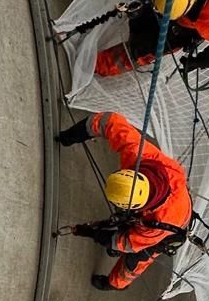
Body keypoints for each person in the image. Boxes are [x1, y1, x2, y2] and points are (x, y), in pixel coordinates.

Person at [58, 110, 192, 291]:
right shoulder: (138, 154)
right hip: (174, 198)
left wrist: (100, 236)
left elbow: (127, 242)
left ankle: (114, 284)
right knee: (121, 231)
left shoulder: (157, 225)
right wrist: (70, 136)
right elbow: (109, 121)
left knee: (135, 261)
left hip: (175, 225)